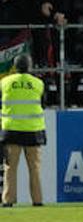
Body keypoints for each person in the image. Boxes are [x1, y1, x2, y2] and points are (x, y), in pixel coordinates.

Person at [1, 54, 45, 207]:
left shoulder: (4, 82)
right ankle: (37, 200)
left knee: (10, 167)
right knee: (34, 168)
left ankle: (8, 200)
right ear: (30, 66)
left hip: (11, 130)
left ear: (15, 66)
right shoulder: (38, 83)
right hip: (33, 131)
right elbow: (42, 103)